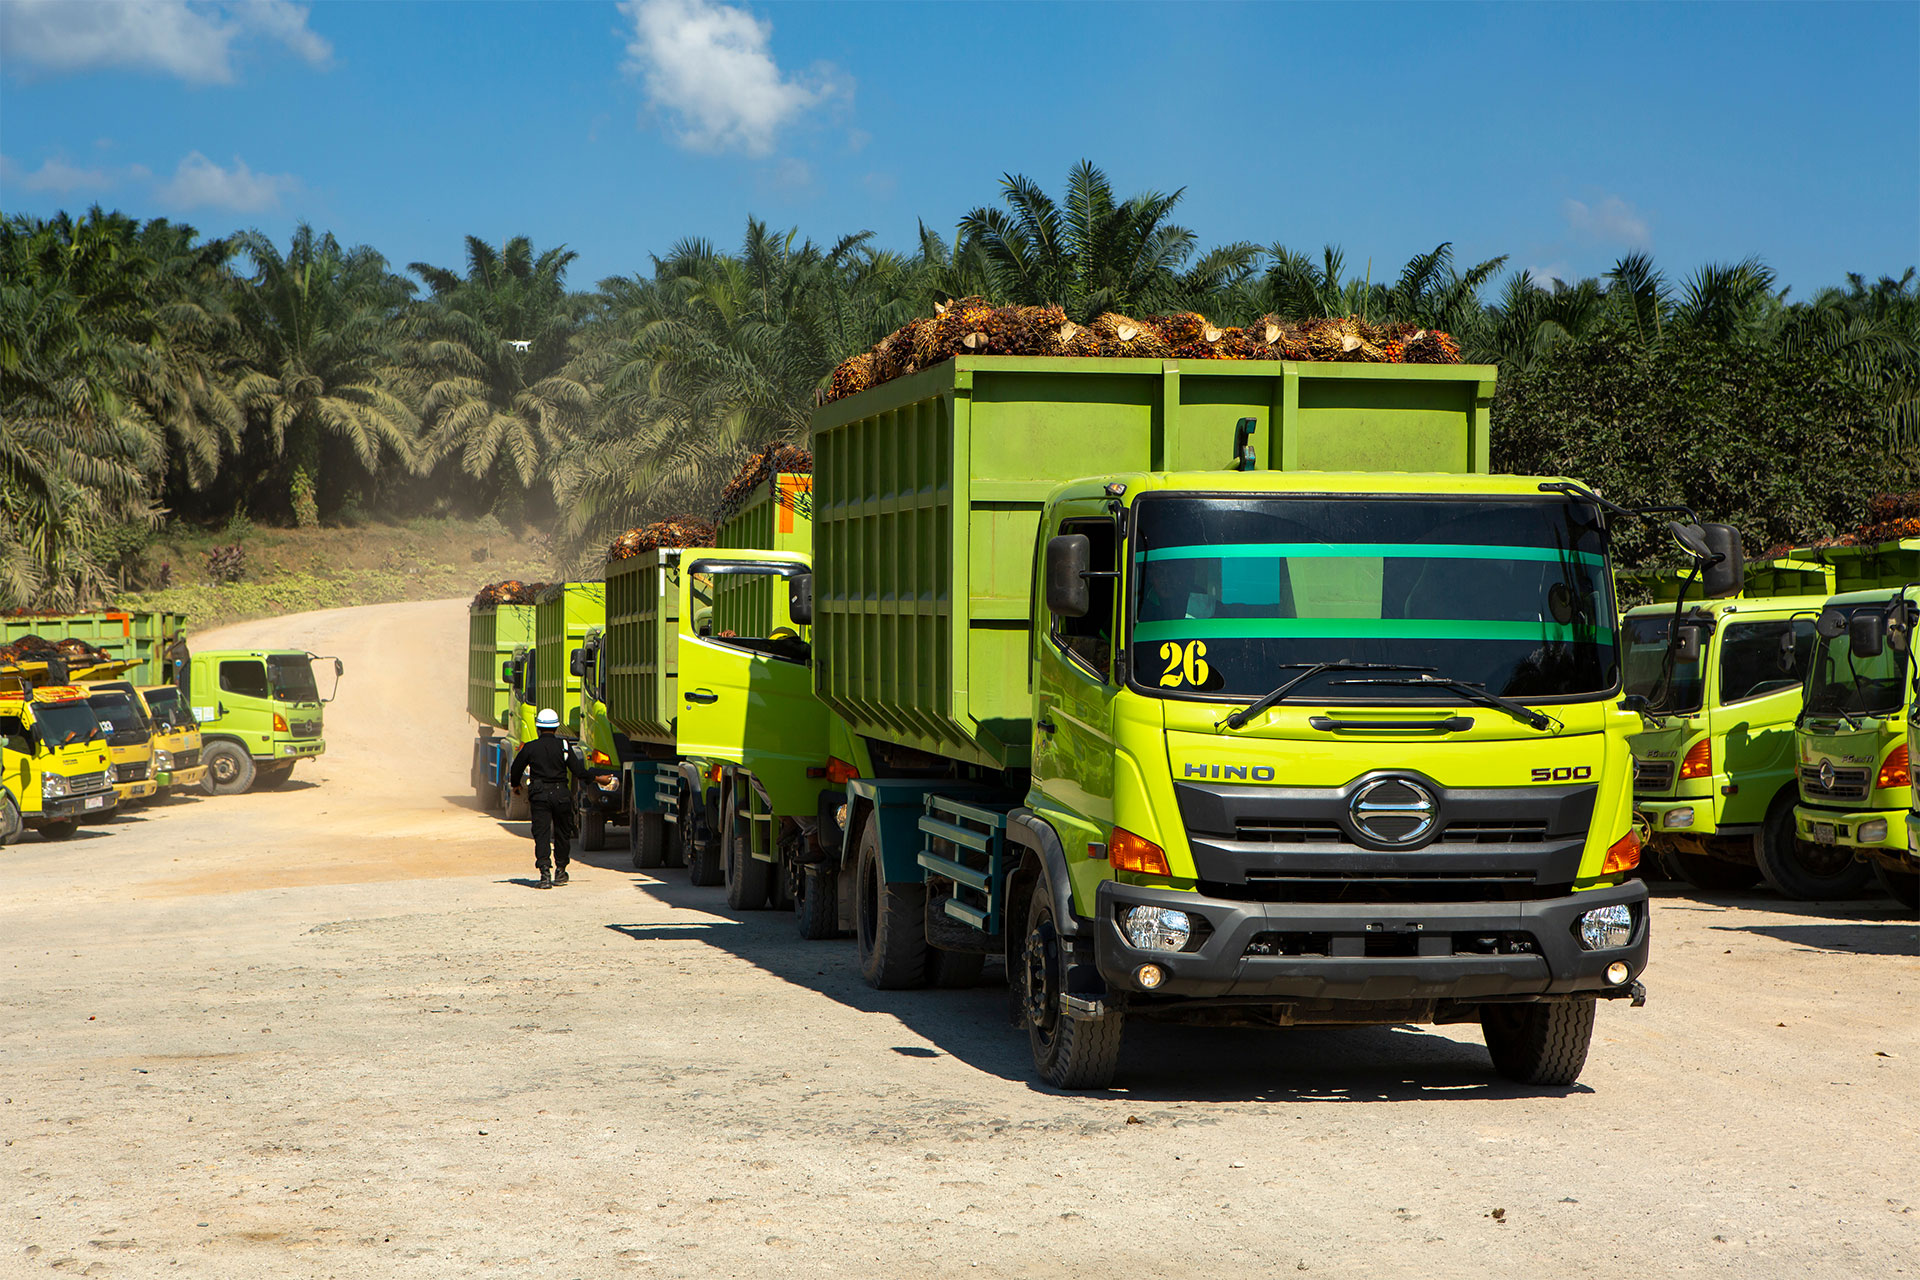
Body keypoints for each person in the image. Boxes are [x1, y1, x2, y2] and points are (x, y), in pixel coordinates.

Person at [508, 708, 614, 889]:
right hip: (561, 795)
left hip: (539, 795)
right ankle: (561, 870)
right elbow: (579, 772)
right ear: (556, 727)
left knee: (541, 834)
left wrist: (516, 785)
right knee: (562, 833)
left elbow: (516, 769)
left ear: (538, 727)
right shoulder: (564, 746)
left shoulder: (530, 747)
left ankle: (544, 874)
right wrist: (597, 778)